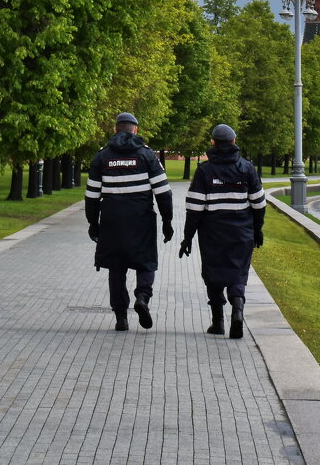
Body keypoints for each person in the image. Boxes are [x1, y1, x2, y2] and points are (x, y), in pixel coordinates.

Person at [86, 112, 173, 331]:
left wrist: (93, 223)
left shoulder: (102, 157)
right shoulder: (147, 155)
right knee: (146, 262)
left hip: (112, 222)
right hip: (141, 220)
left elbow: (92, 196)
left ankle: (121, 318)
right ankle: (142, 297)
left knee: (116, 268)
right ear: (136, 130)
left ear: (115, 129)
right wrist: (167, 221)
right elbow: (163, 192)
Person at [178, 124, 265, 338]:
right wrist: (257, 230)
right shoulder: (247, 168)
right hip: (241, 233)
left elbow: (194, 208)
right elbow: (259, 204)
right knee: (238, 273)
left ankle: (217, 323)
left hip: (212, 235)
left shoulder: (204, 171)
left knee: (213, 274)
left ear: (213, 143)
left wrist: (187, 237)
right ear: (234, 142)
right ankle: (238, 310)